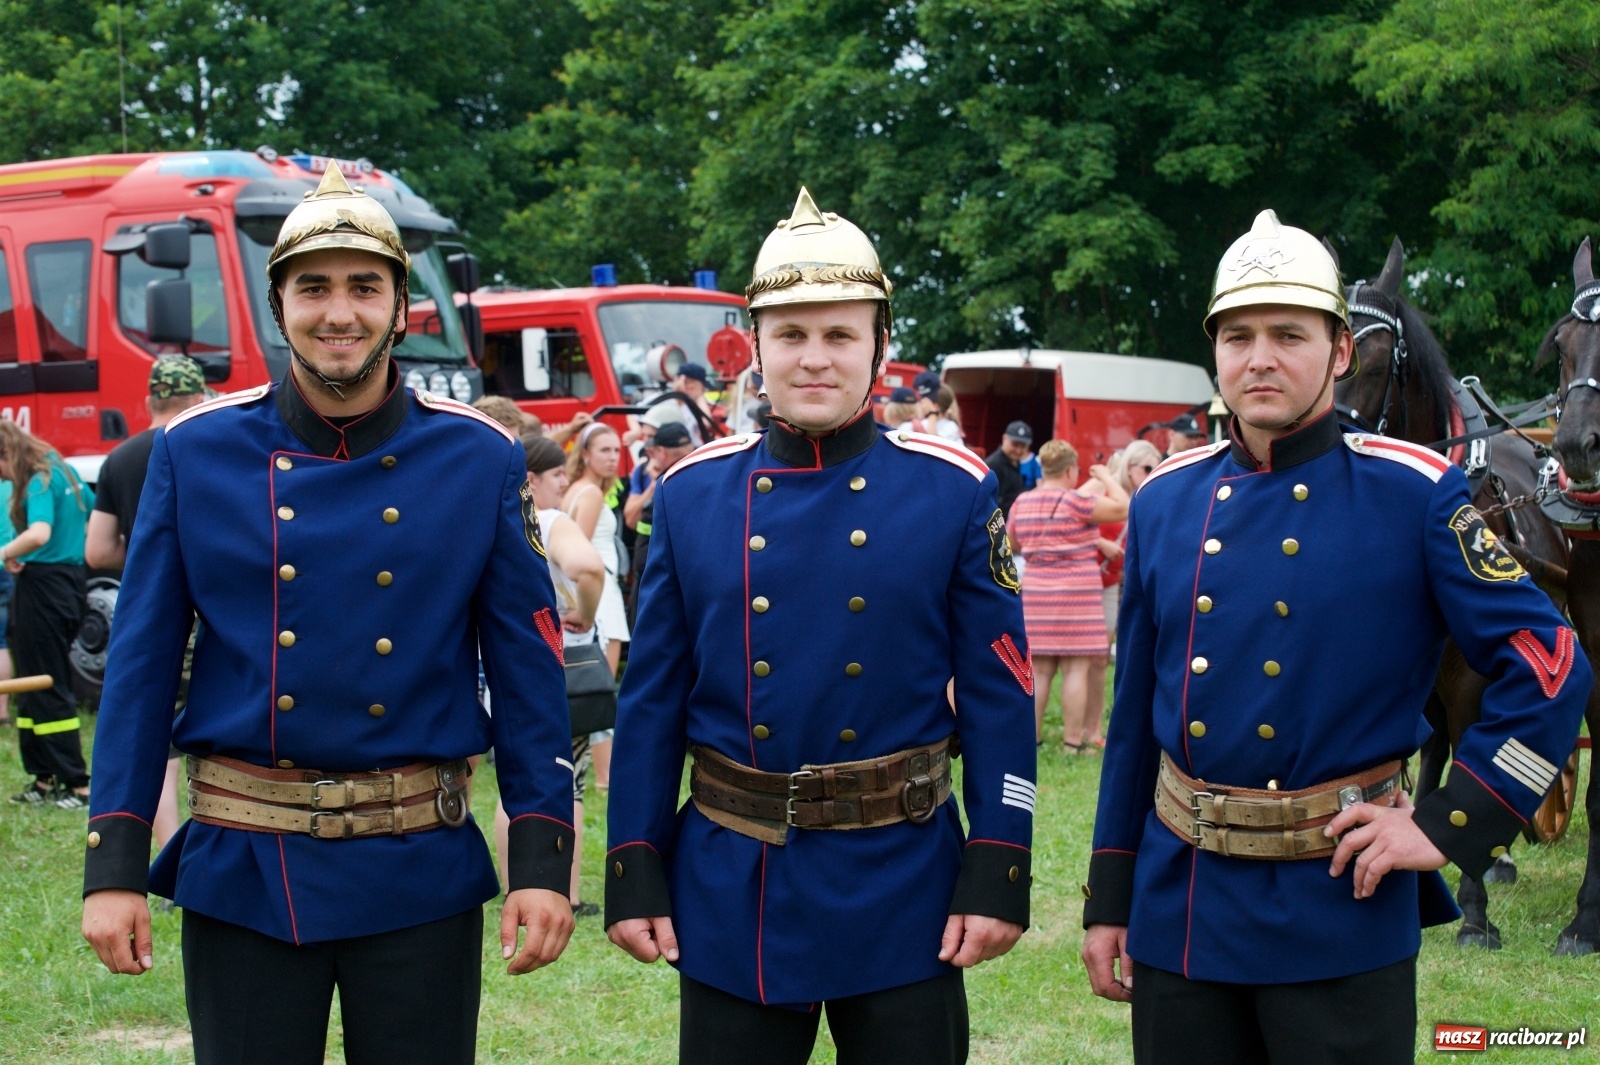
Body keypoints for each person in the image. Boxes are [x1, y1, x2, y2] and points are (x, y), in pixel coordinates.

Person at [80, 165, 576, 1065]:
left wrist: (542, 863)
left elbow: (528, 674)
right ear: (279, 304)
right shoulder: (194, 453)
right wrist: (112, 866)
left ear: (400, 308)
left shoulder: (479, 458)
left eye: (363, 286)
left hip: (418, 866)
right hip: (245, 869)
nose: (337, 312)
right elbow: (142, 668)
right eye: (313, 286)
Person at [1080, 209, 1592, 1064]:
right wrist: (1111, 896)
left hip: (1339, 900)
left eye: (1289, 333)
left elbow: (1551, 667)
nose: (1261, 357)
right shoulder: (1166, 498)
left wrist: (1447, 823)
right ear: (1216, 352)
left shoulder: (1412, 491)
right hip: (1185, 907)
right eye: (1238, 335)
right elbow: (1133, 722)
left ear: (1341, 350)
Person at [606, 187, 1035, 1064]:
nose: (814, 359)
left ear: (880, 344)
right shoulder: (692, 494)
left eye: (839, 334)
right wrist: (632, 861)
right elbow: (651, 699)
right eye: (791, 334)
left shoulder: (952, 489)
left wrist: (999, 860)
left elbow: (1000, 693)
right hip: (736, 878)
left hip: (904, 876)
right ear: (754, 347)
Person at [85, 354, 209, 845]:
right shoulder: (207, 449)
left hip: (153, 621)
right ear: (199, 399)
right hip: (211, 619)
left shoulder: (119, 458)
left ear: (148, 401)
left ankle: (168, 849)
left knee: (157, 742)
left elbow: (97, 550)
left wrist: (142, 559)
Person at [493, 433, 607, 917]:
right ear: (532, 479)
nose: (566, 481)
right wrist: (583, 611)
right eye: (558, 474)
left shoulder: (497, 519)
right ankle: (569, 892)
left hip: (504, 664)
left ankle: (511, 885)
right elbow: (588, 568)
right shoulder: (551, 520)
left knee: (512, 777)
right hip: (560, 661)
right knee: (569, 777)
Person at [1006, 440, 1127, 751]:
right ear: (1072, 470)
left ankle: (1032, 738)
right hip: (1078, 593)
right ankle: (1073, 742)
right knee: (1076, 668)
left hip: (1037, 593)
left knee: (1041, 670)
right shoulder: (1077, 503)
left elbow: (1013, 544)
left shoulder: (1023, 502)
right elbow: (1124, 506)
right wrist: (1106, 476)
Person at [1, 420, 93, 809]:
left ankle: (75, 783)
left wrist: (7, 552)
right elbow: (88, 512)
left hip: (46, 587)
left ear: (7, 454)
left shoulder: (39, 475)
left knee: (46, 682)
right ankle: (43, 778)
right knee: (30, 680)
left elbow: (39, 531)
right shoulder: (65, 469)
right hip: (64, 580)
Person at [1084, 439, 1162, 747]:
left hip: (1118, 580)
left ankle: (1093, 729)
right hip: (1089, 579)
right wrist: (1097, 542)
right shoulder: (1100, 488)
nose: (1151, 473)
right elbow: (1066, 512)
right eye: (1146, 467)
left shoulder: (1149, 495)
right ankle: (1082, 729)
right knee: (1087, 658)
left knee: (1102, 656)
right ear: (1130, 465)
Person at [562, 422, 630, 677]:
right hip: (600, 591)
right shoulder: (590, 493)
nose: (612, 457)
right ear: (585, 454)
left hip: (596, 588)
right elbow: (580, 549)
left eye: (615, 450)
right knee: (600, 685)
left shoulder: (575, 488)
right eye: (604, 450)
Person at [622, 420, 695, 629]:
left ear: (661, 451)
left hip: (662, 575)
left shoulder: (693, 474)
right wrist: (653, 485)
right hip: (652, 569)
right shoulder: (645, 472)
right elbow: (630, 518)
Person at [984, 420, 1032, 518]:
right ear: (1004, 438)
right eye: (1015, 445)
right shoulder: (994, 465)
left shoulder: (1015, 462)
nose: (1018, 451)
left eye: (1023, 447)